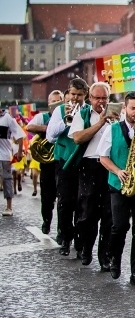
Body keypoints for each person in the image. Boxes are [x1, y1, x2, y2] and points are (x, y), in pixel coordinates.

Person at [98, 91, 135, 284]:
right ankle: (114, 259)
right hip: (119, 183)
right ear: (125, 108)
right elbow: (103, 157)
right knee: (119, 225)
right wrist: (118, 171)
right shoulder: (112, 129)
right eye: (133, 108)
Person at [69, 82, 117, 267]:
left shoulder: (116, 115)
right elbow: (78, 138)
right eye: (97, 98)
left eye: (104, 98)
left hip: (110, 165)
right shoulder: (83, 114)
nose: (101, 102)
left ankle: (104, 256)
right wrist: (100, 123)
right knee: (87, 212)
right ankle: (86, 249)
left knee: (109, 214)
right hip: (89, 166)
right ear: (90, 98)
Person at [46, 78, 89, 253]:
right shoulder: (60, 110)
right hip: (64, 160)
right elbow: (50, 137)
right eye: (73, 94)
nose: (76, 98)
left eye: (79, 95)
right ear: (67, 94)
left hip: (83, 160)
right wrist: (65, 120)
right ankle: (65, 237)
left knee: (82, 202)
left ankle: (79, 240)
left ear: (85, 95)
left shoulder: (88, 111)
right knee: (65, 201)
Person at [25, 90, 63, 232]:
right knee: (47, 197)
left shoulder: (66, 116)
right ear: (48, 103)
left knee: (64, 198)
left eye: (59, 101)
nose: (56, 104)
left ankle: (61, 228)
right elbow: (29, 127)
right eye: (53, 101)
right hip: (48, 162)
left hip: (63, 160)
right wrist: (48, 129)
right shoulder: (43, 116)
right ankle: (46, 221)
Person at [0, 106, 25, 216]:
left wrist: (20, 151)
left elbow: (19, 135)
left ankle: (9, 206)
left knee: (7, 179)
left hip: (4, 155)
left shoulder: (8, 118)